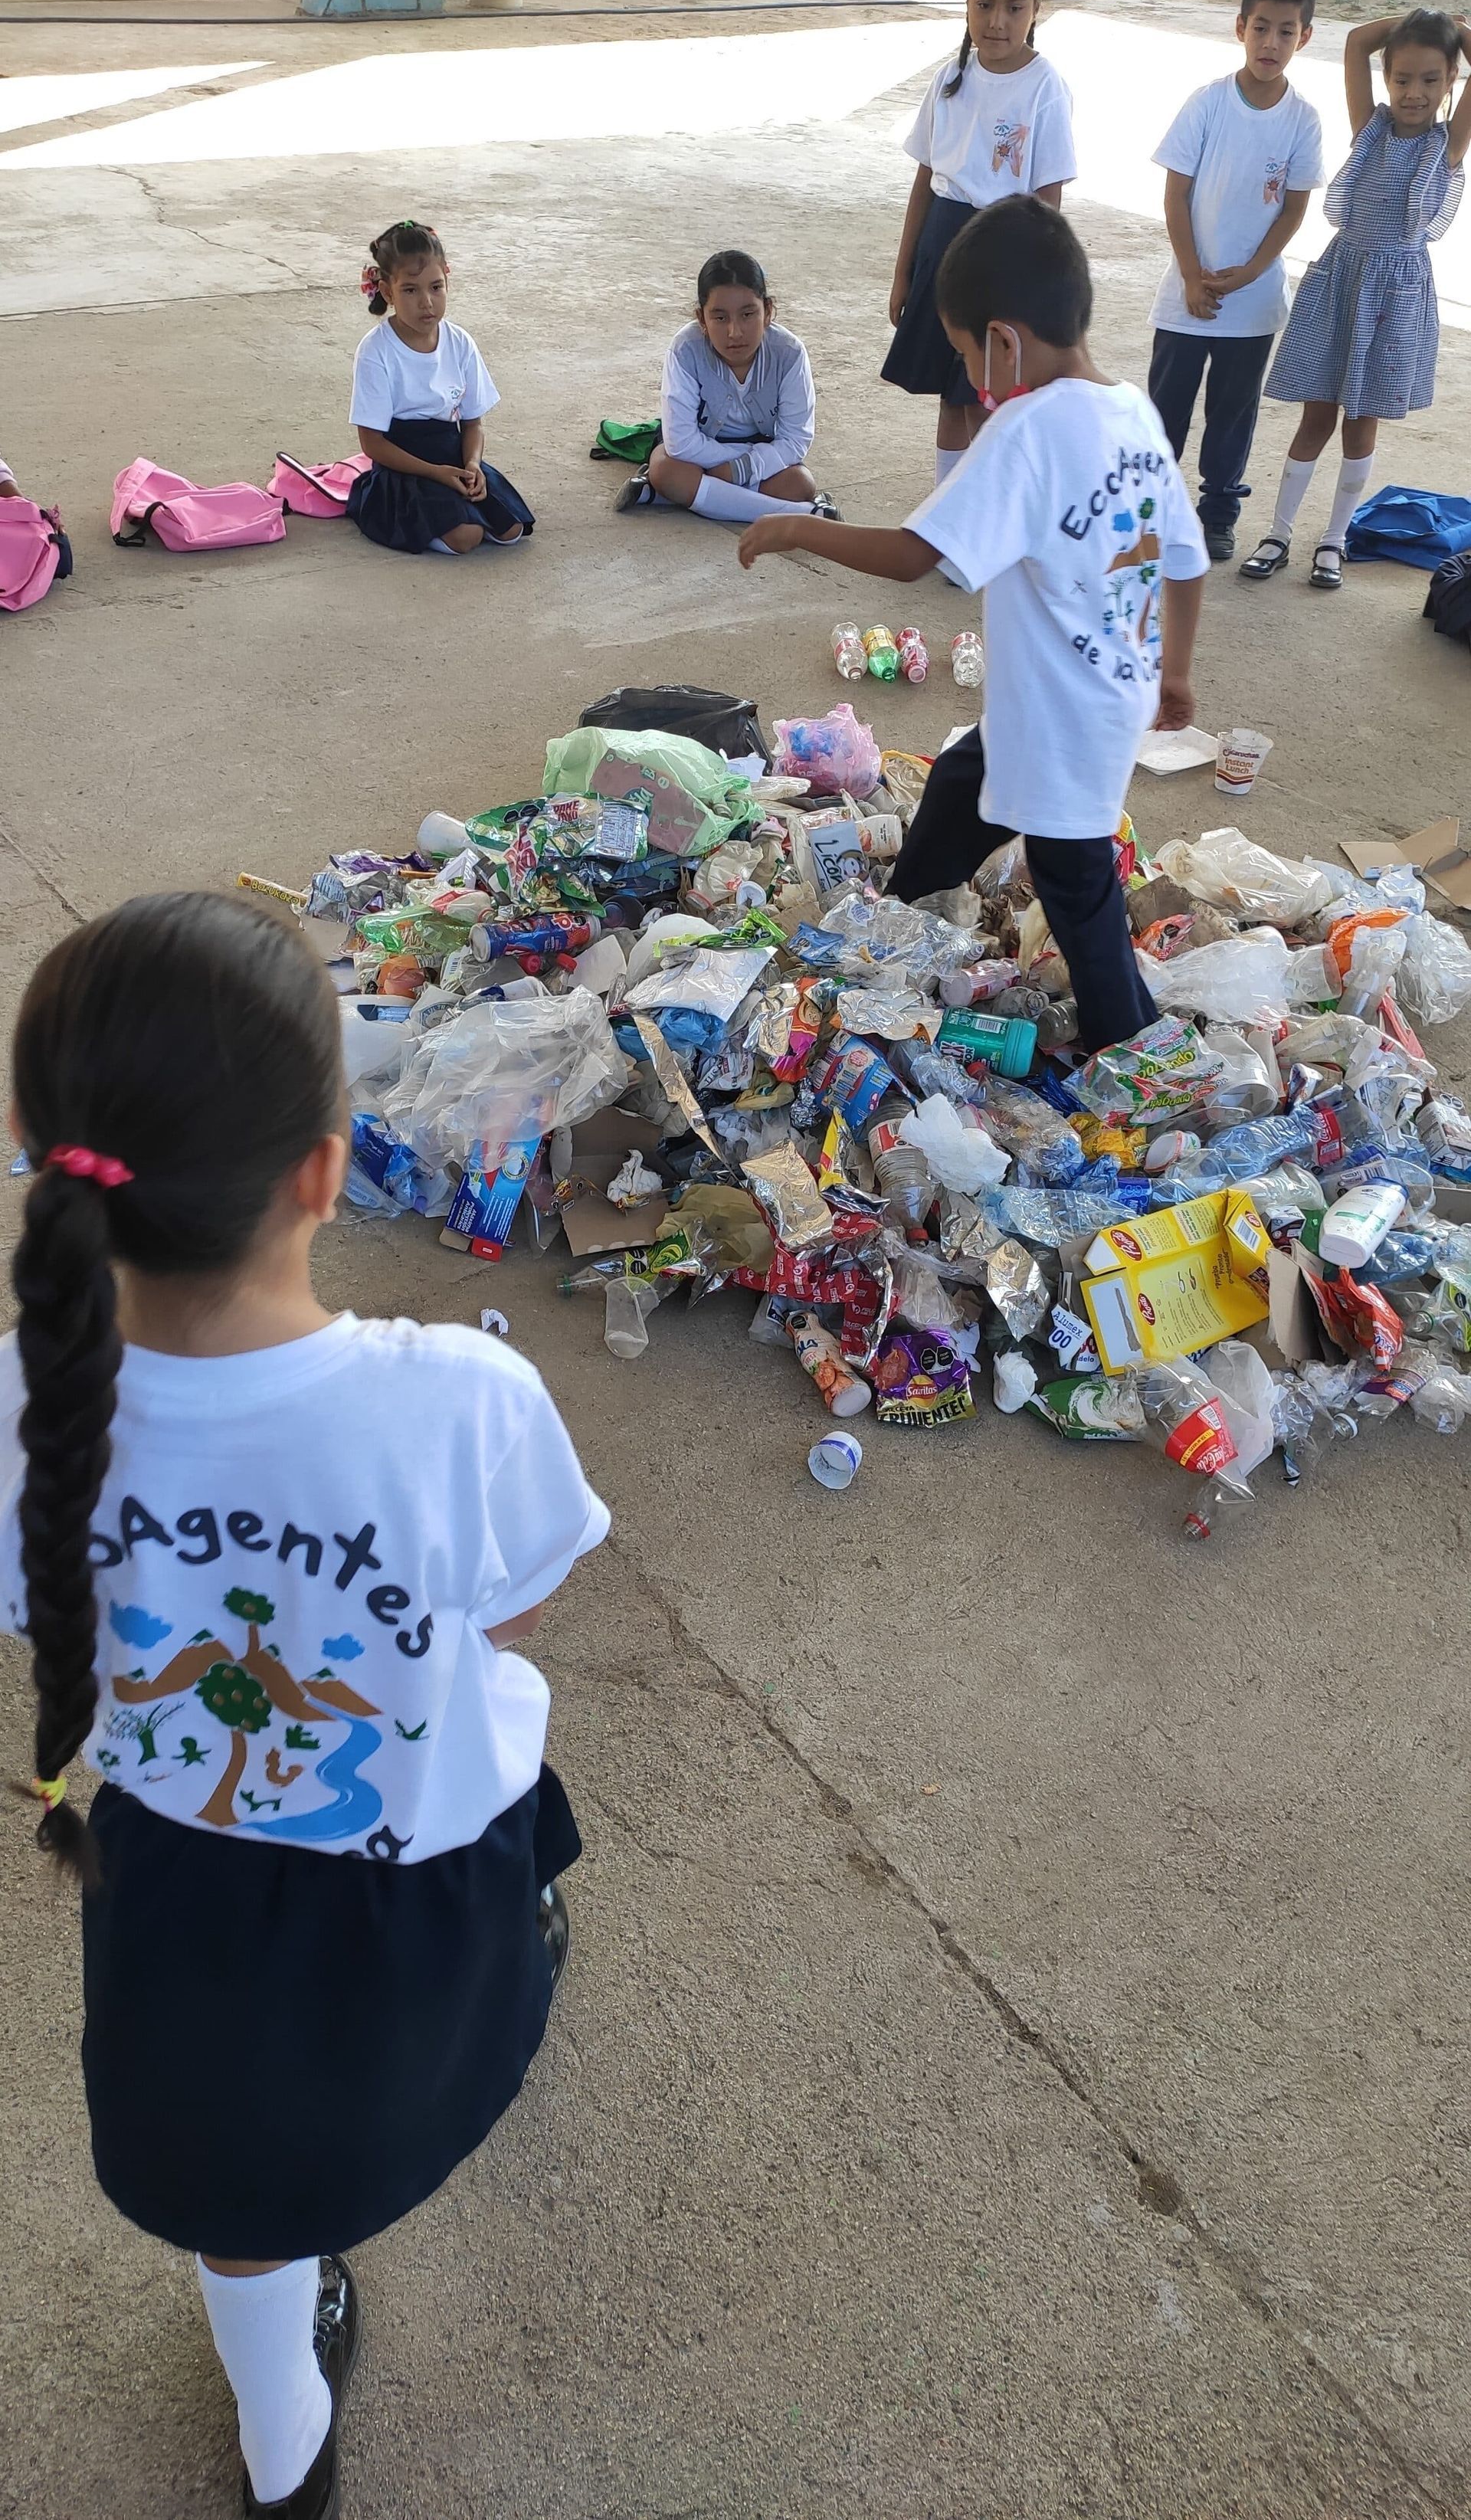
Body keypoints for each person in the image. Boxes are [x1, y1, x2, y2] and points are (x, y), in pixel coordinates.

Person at [0, 893, 607, 2520]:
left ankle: (288, 2449)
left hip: (172, 1878)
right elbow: (521, 1598)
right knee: (473, 1942)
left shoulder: (20, 1406)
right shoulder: (462, 1398)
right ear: (326, 1169)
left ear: (42, 1159)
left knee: (237, 2186)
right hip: (418, 1864)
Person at [739, 198, 1209, 1056]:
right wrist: (1175, 671)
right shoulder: (1135, 413)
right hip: (1099, 694)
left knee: (1078, 887)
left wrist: (797, 526)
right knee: (963, 782)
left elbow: (920, 554)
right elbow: (1185, 557)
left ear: (1004, 341)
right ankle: (901, 912)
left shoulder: (1024, 429)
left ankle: (1136, 1048)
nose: (971, 375)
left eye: (963, 354)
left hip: (1065, 716)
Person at [1242, 10, 1471, 591]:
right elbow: (1355, 42)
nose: (1412, 93)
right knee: (1315, 413)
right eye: (1400, 78)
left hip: (1396, 295)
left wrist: (1451, 31)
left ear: (1450, 81)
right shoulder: (1369, 128)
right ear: (1387, 78)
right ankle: (1279, 532)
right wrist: (1427, 19)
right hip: (1342, 281)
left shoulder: (1448, 145)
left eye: (1429, 80)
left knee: (1361, 424)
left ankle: (1334, 540)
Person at [882, 0, 1076, 490]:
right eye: (984, 5)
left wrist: (1034, 288)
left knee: (989, 404)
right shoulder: (950, 79)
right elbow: (925, 180)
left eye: (1014, 7)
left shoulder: (1045, 87)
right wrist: (904, 273)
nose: (997, 22)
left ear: (1036, 11)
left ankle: (990, 517)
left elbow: (1048, 198)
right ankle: (949, 516)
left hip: (1005, 256)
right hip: (942, 247)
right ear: (966, 4)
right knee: (953, 397)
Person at [1147, 0, 1324, 564]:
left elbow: (1294, 210)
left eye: (1285, 31)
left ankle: (1218, 513)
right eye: (1261, 27)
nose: (1270, 43)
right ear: (1239, 26)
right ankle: (1155, 512)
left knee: (1232, 415)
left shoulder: (1303, 120)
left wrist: (1249, 273)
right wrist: (1194, 276)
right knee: (1164, 412)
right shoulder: (1207, 104)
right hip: (1185, 299)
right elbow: (1175, 194)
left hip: (1252, 307)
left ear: (1304, 37)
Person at [347, 218, 534, 555]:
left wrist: (473, 465)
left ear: (447, 280)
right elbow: (372, 443)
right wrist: (434, 473)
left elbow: (473, 423)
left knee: (512, 529)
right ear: (388, 291)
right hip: (403, 466)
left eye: (436, 287)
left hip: (453, 458)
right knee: (467, 537)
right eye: (410, 290)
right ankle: (413, 523)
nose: (427, 302)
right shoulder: (376, 350)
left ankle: (458, 509)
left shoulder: (460, 342)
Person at [617, 247, 840, 526]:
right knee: (665, 468)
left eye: (748, 315)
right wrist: (731, 467)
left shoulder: (790, 353)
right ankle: (804, 515)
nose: (735, 332)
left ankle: (661, 495)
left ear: (768, 311)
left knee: (799, 485)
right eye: (720, 318)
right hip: (698, 453)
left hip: (760, 453)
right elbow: (681, 443)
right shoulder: (685, 350)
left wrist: (739, 470)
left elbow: (795, 440)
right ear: (702, 320)